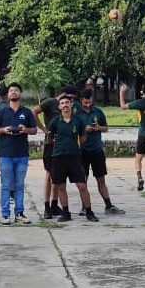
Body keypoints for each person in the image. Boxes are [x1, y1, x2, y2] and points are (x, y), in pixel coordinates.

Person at [0, 82, 38, 224]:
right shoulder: (2, 112)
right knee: (5, 185)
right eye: (11, 91)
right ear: (8, 94)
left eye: (16, 90)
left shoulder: (26, 112)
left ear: (20, 93)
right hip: (5, 154)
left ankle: (20, 213)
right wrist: (3, 130)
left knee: (19, 185)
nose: (13, 93)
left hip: (22, 154)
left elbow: (34, 130)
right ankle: (5, 214)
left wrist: (25, 130)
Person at [48, 93, 98, 222]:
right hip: (58, 156)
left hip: (74, 157)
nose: (65, 105)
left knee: (82, 185)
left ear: (71, 105)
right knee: (60, 186)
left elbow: (83, 138)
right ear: (59, 107)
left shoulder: (78, 121)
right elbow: (50, 139)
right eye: (62, 103)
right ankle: (66, 212)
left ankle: (89, 211)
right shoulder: (54, 121)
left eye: (67, 103)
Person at [33, 84, 79, 219]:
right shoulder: (50, 102)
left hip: (63, 146)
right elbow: (33, 111)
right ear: (63, 94)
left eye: (71, 100)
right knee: (49, 175)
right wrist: (43, 128)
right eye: (69, 98)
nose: (69, 102)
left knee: (58, 177)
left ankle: (54, 204)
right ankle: (47, 206)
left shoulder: (69, 107)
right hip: (50, 143)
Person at [77, 88, 124, 215]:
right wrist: (84, 130)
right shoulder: (76, 114)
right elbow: (73, 131)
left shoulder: (98, 112)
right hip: (82, 151)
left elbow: (106, 128)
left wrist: (98, 128)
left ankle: (108, 205)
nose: (88, 104)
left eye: (90, 102)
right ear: (81, 100)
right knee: (83, 181)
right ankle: (84, 206)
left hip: (97, 149)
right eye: (85, 102)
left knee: (101, 179)